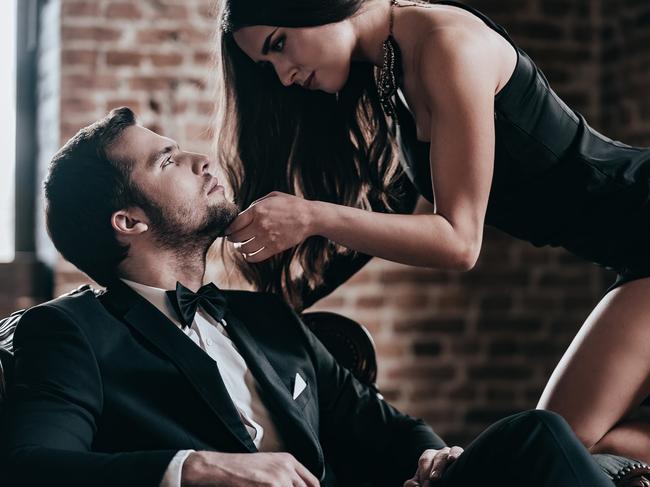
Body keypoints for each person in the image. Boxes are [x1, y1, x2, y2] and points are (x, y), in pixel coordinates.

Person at [0, 108, 615, 487]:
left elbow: (390, 430)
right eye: (167, 161)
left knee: (536, 438)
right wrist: (198, 468)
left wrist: (433, 459)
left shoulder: (268, 321)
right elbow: (28, 467)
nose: (198, 158)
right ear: (128, 222)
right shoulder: (66, 332)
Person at [214, 0, 650, 463]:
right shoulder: (394, 62)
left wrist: (311, 216)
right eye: (268, 65)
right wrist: (281, 306)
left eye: (279, 45)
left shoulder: (447, 45)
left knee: (555, 446)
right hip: (631, 247)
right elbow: (394, 210)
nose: (283, 75)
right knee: (573, 446)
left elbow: (459, 242)